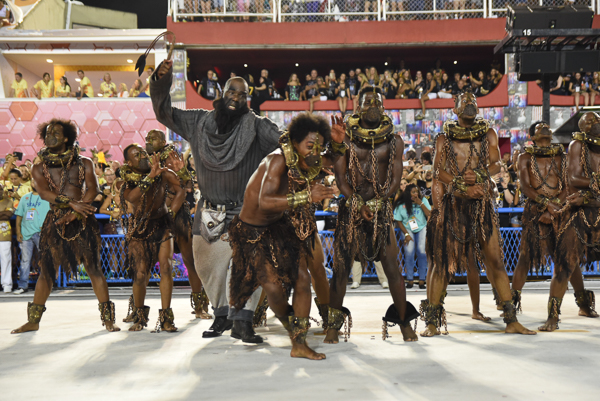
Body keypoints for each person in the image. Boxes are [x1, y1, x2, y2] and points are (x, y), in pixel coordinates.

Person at [151, 60, 281, 341]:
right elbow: (164, 112)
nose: (235, 98)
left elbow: (286, 140)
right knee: (209, 269)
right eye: (231, 92)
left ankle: (243, 322)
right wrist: (161, 83)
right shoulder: (198, 121)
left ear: (248, 99)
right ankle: (221, 317)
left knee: (250, 265)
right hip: (208, 210)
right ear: (221, 94)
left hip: (245, 211)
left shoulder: (257, 126)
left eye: (242, 95)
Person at [229, 113, 344, 357]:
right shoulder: (278, 160)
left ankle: (299, 344)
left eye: (319, 146)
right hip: (252, 233)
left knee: (303, 279)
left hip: (280, 226)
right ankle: (289, 325)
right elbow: (264, 201)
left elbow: (333, 160)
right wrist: (307, 196)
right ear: (295, 144)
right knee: (274, 291)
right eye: (310, 145)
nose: (315, 152)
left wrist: (338, 142)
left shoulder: (307, 158)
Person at [422, 91, 535, 337]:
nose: (470, 104)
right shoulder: (444, 138)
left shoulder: (489, 134)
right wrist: (456, 191)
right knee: (442, 264)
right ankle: (431, 321)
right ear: (455, 108)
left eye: (473, 100)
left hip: (481, 206)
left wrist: (481, 174)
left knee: (495, 261)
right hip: (454, 206)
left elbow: (496, 164)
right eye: (464, 101)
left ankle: (510, 319)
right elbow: (438, 172)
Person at [327, 86, 419, 344]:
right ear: (358, 106)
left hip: (380, 211)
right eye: (367, 102)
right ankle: (333, 326)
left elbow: (395, 179)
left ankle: (404, 324)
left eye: (377, 102)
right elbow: (341, 178)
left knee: (393, 270)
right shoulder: (346, 138)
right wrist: (356, 201)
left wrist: (378, 202)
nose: (372, 106)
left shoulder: (394, 140)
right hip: (351, 211)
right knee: (341, 270)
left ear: (383, 106)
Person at [11, 119, 120, 334]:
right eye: (48, 132)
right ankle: (33, 321)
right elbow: (43, 192)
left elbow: (92, 189)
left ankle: (108, 320)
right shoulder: (39, 167)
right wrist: (71, 205)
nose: (50, 136)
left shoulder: (84, 162)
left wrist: (76, 213)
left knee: (94, 268)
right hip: (57, 221)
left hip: (82, 220)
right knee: (47, 272)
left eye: (56, 133)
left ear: (67, 137)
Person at [144, 129, 211, 319]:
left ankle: (200, 307)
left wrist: (181, 172)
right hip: (153, 216)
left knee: (190, 261)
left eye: (154, 138)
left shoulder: (173, 156)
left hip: (177, 215)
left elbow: (186, 185)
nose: (149, 141)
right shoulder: (143, 159)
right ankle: (138, 310)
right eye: (148, 138)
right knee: (144, 263)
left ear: (164, 140)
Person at [119, 144, 185, 332]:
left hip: (163, 224)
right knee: (140, 274)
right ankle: (139, 316)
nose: (142, 156)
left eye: (142, 152)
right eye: (136, 155)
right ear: (128, 162)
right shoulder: (124, 182)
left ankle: (166, 318)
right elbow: (132, 197)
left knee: (166, 266)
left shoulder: (163, 173)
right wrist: (151, 177)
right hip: (140, 228)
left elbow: (181, 188)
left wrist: (172, 212)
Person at [550, 113, 600, 330]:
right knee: (566, 262)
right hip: (581, 211)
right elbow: (573, 179)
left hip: (593, 203)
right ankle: (553, 316)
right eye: (588, 121)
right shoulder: (577, 145)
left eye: (596, 119)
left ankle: (584, 305)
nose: (593, 123)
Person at [14, 182, 50, 294]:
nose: (35, 183)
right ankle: (22, 286)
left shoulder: (47, 197)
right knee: (25, 261)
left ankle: (47, 285)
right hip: (26, 234)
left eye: (37, 180)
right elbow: (19, 216)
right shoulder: (24, 198)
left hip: (41, 234)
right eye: (33, 181)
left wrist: (47, 227)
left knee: (45, 260)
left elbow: (53, 214)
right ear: (31, 183)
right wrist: (18, 232)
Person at [395, 184, 431, 289]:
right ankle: (410, 280)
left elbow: (429, 214)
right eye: (413, 192)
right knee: (409, 252)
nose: (416, 194)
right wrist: (406, 234)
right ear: (408, 193)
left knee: (421, 252)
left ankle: (421, 280)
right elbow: (398, 220)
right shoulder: (401, 204)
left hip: (421, 228)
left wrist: (420, 204)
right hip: (407, 228)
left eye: (417, 191)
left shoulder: (423, 200)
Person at [0, 183, 13, 293]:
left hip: (4, 235)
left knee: (6, 259)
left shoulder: (9, 201)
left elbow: (8, 215)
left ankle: (7, 284)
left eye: (0, 189)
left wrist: (4, 213)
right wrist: (2, 213)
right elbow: (3, 214)